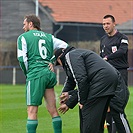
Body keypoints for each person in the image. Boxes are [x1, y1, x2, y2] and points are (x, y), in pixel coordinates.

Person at [17, 14, 68, 133]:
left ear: (30, 24)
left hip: (35, 74)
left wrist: (27, 72)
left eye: (24, 24)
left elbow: (21, 59)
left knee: (31, 110)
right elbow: (65, 46)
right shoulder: (49, 37)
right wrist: (53, 60)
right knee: (52, 109)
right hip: (49, 74)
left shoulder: (23, 37)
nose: (23, 27)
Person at [54, 46, 120, 133]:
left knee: (88, 121)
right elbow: (72, 80)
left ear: (60, 57)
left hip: (101, 81)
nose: (61, 66)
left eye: (59, 63)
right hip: (109, 79)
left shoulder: (69, 56)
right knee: (96, 124)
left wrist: (82, 101)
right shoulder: (77, 53)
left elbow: (81, 80)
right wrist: (65, 97)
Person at [100, 14, 130, 133]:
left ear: (114, 24)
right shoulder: (103, 39)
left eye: (107, 23)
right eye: (103, 24)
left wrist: (107, 58)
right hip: (107, 75)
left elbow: (122, 51)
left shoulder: (122, 38)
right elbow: (101, 57)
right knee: (107, 106)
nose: (105, 26)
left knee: (118, 107)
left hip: (120, 74)